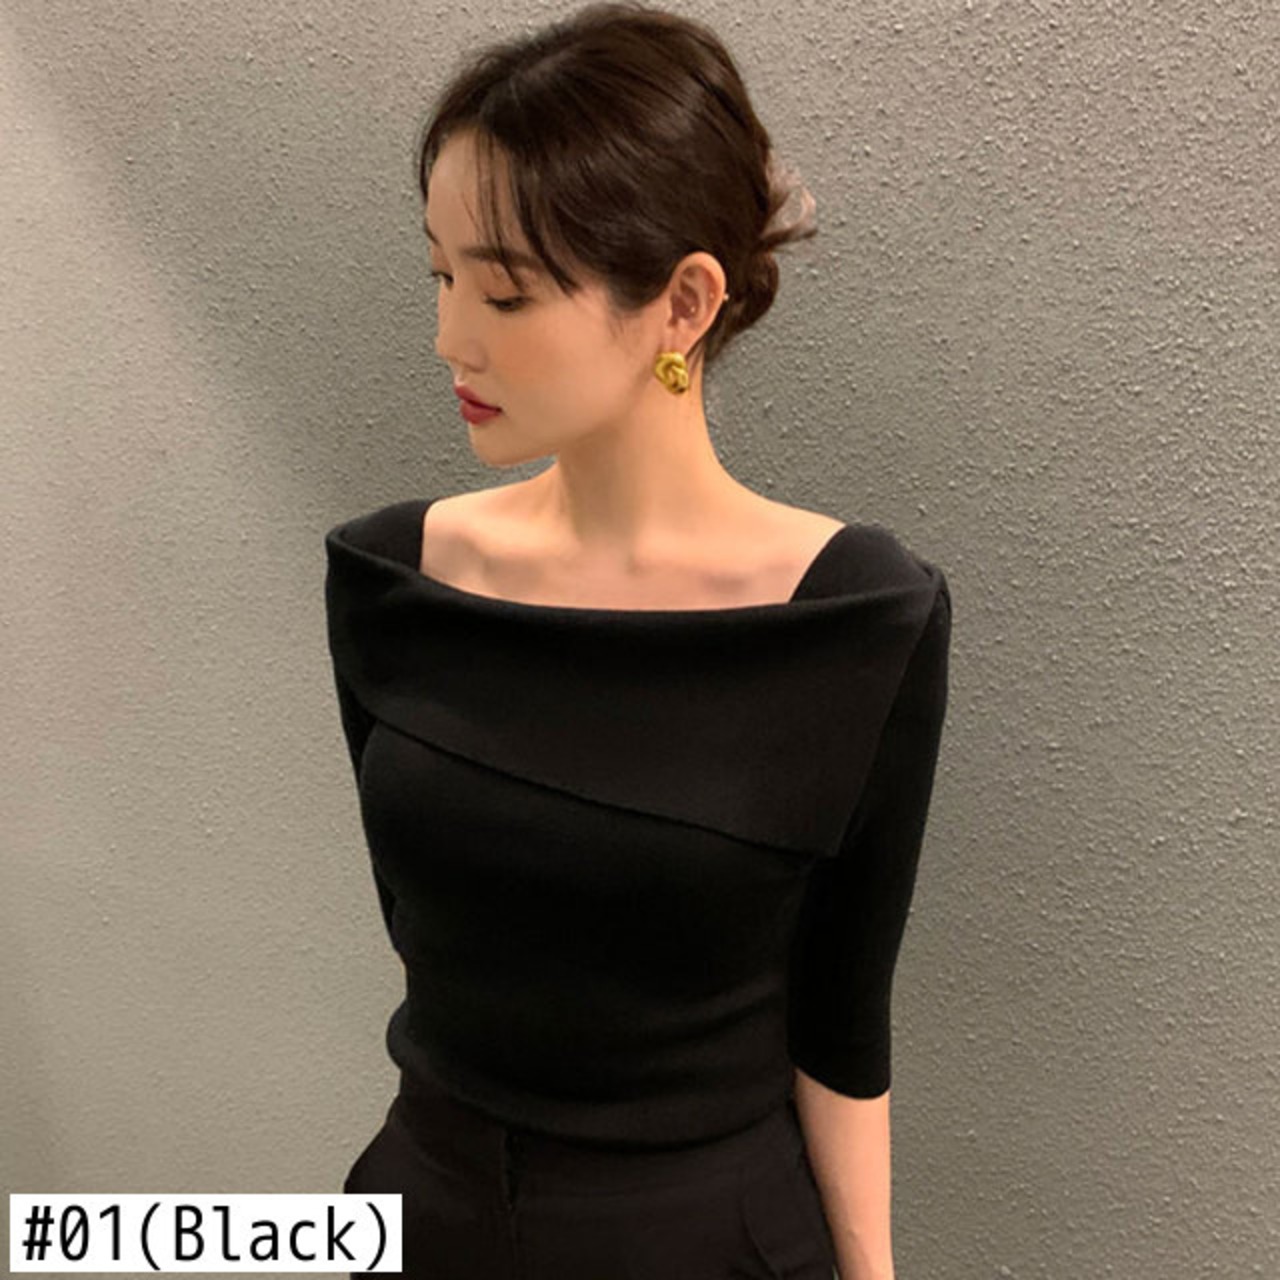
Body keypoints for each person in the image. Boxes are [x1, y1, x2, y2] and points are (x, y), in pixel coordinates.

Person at [323, 3, 952, 1277]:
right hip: (417, 1209)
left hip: (701, 1236)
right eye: (440, 277)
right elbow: (430, 934)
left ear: (683, 302)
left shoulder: (851, 619)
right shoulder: (393, 576)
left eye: (504, 290)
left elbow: (840, 1021)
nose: (450, 339)